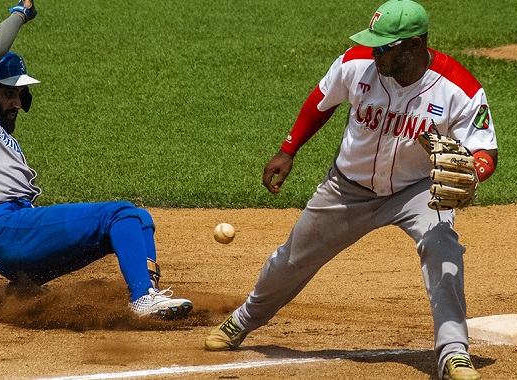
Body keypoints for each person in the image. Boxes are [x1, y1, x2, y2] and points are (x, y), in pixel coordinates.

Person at [204, 1, 497, 379]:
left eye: (385, 47)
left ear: (414, 45)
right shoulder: (356, 63)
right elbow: (321, 100)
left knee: (443, 248)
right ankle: (243, 320)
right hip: (347, 188)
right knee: (293, 257)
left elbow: (484, 149)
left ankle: (453, 353)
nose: (375, 53)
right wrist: (288, 148)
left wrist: (477, 170)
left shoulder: (460, 89)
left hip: (417, 190)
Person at [0, 1, 192, 319]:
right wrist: (21, 12)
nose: (17, 102)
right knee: (119, 214)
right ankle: (142, 298)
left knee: (139, 218)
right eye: (9, 93)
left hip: (16, 253)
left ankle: (148, 292)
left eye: (21, 95)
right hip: (8, 231)